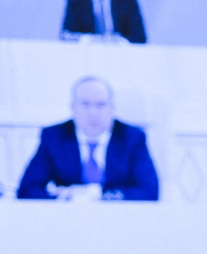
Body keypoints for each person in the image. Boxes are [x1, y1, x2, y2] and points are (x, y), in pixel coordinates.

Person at [16, 77, 159, 201]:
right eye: (85, 104)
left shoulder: (132, 138)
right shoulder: (54, 136)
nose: (93, 112)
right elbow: (26, 189)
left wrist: (97, 194)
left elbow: (150, 191)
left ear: (112, 108)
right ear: (73, 107)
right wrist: (64, 196)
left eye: (101, 105)